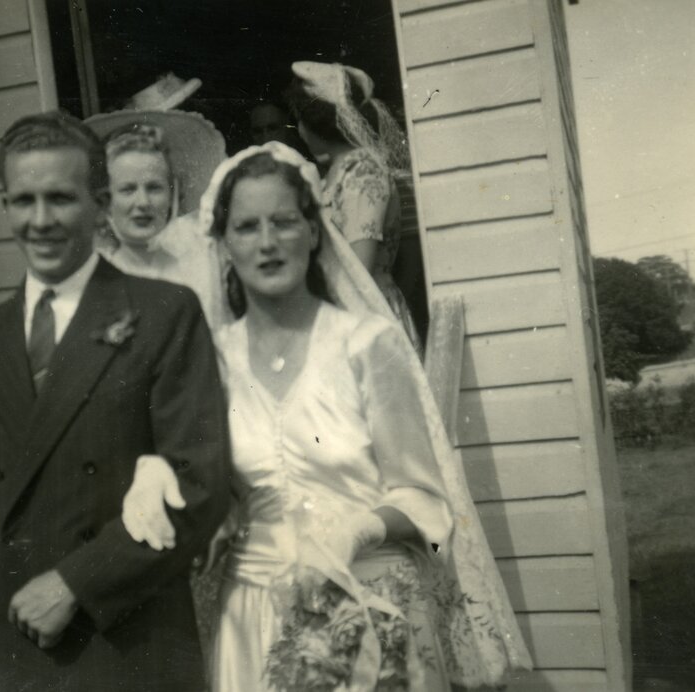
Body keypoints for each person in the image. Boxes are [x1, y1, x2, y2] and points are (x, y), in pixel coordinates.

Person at [122, 143, 532, 691]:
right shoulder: (210, 358)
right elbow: (199, 475)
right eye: (246, 227)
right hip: (255, 620)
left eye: (284, 222)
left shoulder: (365, 345)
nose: (267, 243)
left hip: (368, 610)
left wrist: (359, 528)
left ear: (314, 232)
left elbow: (428, 503)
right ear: (222, 245)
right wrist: (159, 472)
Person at [0, 111, 232, 692]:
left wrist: (76, 583)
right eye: (23, 201)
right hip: (18, 647)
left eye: (61, 199)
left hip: (129, 642)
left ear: (99, 204)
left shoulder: (164, 314)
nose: (41, 221)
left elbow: (198, 484)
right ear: (4, 209)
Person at [286, 60, 424, 356]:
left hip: (366, 315)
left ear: (313, 122)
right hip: (343, 312)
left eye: (299, 118)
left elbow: (358, 265)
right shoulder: (337, 172)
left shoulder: (363, 170)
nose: (298, 129)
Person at [84, 111, 228, 329]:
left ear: (172, 194)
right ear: (106, 199)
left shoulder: (205, 256)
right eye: (128, 189)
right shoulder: (94, 278)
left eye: (154, 188)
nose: (143, 202)